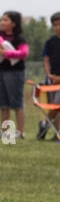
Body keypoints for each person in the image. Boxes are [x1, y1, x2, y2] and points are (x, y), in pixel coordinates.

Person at [0, 11, 28, 141]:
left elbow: (23, 53)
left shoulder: (19, 38)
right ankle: (5, 131)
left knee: (16, 102)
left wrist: (5, 53)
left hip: (15, 72)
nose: (2, 22)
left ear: (13, 23)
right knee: (3, 102)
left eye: (6, 20)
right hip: (1, 71)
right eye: (2, 19)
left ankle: (19, 131)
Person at [42, 12, 60, 140]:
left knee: (58, 104)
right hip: (51, 80)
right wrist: (49, 75)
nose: (58, 27)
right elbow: (46, 59)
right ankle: (55, 131)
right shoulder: (50, 42)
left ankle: (45, 126)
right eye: (55, 25)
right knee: (53, 105)